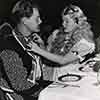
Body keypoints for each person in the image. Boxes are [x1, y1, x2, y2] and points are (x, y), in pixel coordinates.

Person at [0, 1, 80, 100]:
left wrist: (42, 47)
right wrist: (51, 92)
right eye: (37, 18)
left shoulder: (33, 39)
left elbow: (43, 66)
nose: (40, 21)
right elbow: (21, 85)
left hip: (36, 88)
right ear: (24, 20)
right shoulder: (8, 47)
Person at [31, 5, 95, 81]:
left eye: (67, 21)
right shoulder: (57, 34)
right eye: (63, 21)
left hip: (68, 80)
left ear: (77, 22)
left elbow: (63, 60)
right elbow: (49, 55)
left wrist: (37, 49)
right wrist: (41, 44)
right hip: (49, 76)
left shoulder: (84, 44)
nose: (63, 24)